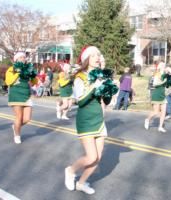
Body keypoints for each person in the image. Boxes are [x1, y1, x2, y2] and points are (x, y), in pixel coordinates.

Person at [64, 46, 107, 195]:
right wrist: (95, 87)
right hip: (86, 120)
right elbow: (80, 100)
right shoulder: (80, 76)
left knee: (97, 158)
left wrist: (108, 89)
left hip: (99, 119)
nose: (97, 57)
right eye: (94, 55)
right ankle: (70, 170)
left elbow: (105, 100)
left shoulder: (99, 76)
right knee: (91, 156)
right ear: (87, 59)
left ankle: (81, 183)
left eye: (98, 54)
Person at [5, 52, 37, 144]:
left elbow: (34, 82)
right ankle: (17, 135)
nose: (23, 58)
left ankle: (16, 126)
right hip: (16, 95)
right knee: (19, 117)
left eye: (24, 57)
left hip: (26, 95)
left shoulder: (27, 69)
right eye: (21, 57)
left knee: (27, 119)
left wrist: (33, 75)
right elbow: (8, 82)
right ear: (16, 60)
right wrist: (18, 72)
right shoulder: (12, 69)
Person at [144, 62, 169, 133]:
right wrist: (163, 82)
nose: (164, 66)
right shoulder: (157, 74)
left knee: (163, 112)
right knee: (156, 112)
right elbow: (154, 84)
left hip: (163, 94)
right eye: (163, 65)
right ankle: (147, 120)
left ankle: (160, 127)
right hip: (157, 94)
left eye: (165, 65)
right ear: (159, 67)